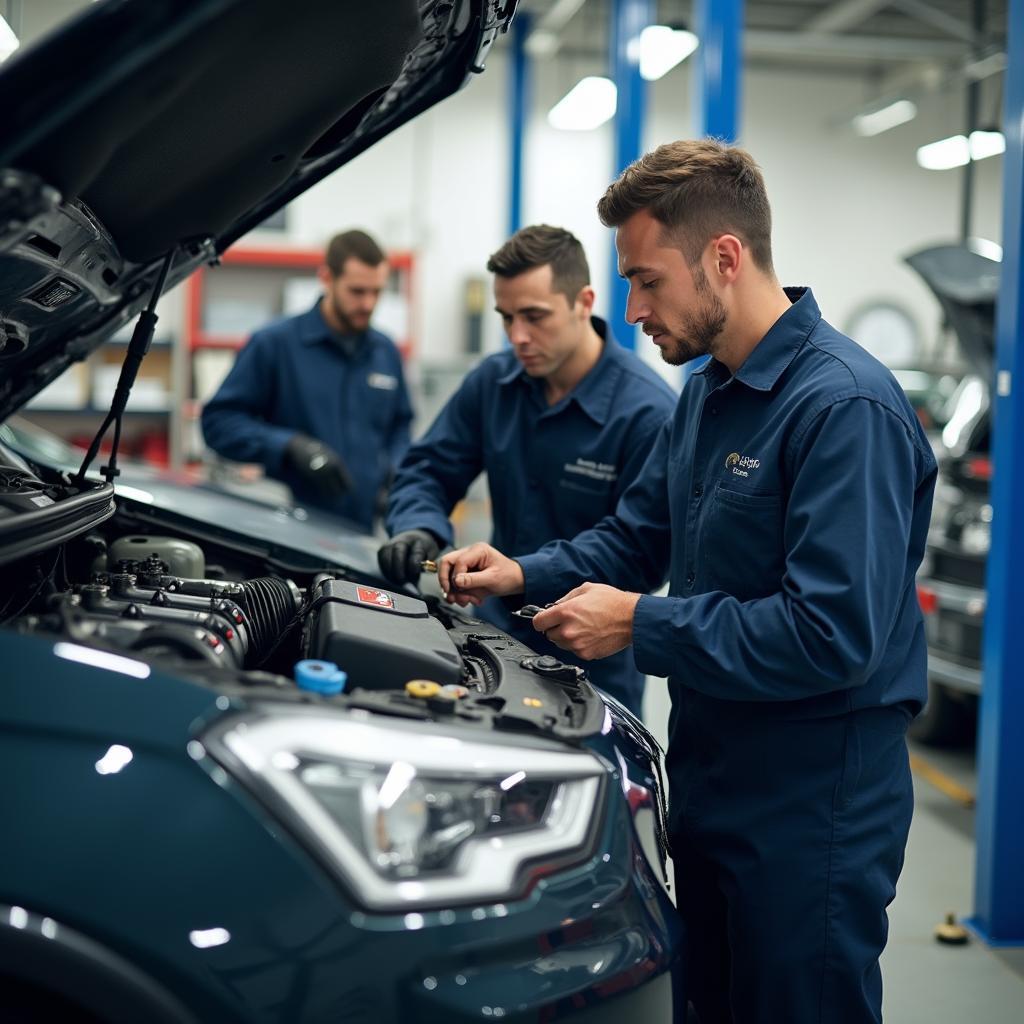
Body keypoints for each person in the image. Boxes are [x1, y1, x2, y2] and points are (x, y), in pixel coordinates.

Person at [437, 141, 937, 1024]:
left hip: (811, 806)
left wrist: (642, 624)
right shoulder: (708, 392)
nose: (631, 311)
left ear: (725, 259)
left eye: (646, 281)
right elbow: (639, 537)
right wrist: (522, 572)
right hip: (711, 777)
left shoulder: (843, 408)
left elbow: (831, 635)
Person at [378, 224, 677, 715]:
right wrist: (418, 527)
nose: (518, 336)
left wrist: (522, 573)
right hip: (486, 649)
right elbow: (428, 468)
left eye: (535, 317)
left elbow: (639, 551)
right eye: (507, 317)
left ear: (583, 301)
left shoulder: (649, 414)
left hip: (588, 677)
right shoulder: (494, 383)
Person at [201, 229, 413, 531]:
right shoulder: (274, 344)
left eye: (376, 292)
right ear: (326, 278)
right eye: (357, 291)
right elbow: (218, 423)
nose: (368, 304)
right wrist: (290, 446)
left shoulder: (386, 352)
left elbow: (400, 426)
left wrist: (395, 473)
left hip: (364, 530)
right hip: (289, 531)